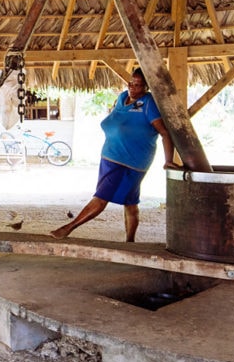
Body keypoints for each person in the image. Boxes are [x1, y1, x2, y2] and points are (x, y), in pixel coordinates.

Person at [50, 68, 178, 242]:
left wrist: (168, 160)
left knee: (101, 197)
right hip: (110, 158)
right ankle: (130, 242)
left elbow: (165, 133)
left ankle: (68, 227)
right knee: (130, 202)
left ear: (147, 88)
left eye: (138, 85)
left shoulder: (148, 104)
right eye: (131, 83)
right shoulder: (121, 98)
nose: (133, 87)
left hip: (129, 162)